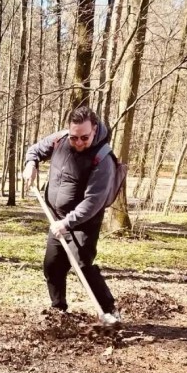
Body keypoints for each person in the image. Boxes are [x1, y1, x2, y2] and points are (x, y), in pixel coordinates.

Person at [23, 106, 120, 325]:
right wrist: (31, 164)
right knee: (52, 266)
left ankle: (109, 310)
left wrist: (67, 223)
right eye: (74, 137)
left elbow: (93, 202)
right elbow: (35, 150)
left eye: (84, 138)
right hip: (56, 218)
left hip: (83, 223)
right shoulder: (60, 140)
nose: (78, 142)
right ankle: (58, 311)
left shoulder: (103, 159)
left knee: (82, 265)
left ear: (94, 129)